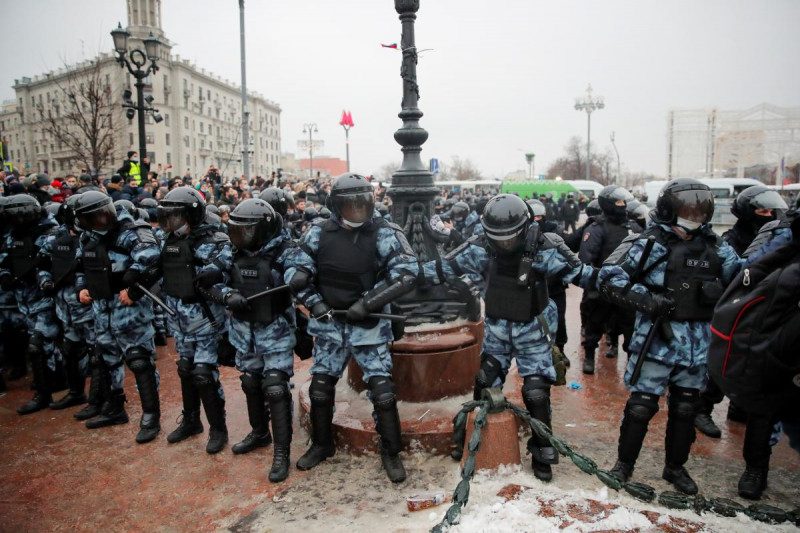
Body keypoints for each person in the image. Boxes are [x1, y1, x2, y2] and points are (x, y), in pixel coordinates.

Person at [423, 194, 595, 481]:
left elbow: (583, 273)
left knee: (536, 391)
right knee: (484, 382)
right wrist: (402, 275)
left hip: (532, 330)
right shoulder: (480, 246)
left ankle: (543, 453)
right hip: (497, 331)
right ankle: (475, 440)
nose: (503, 244)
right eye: (497, 239)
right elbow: (441, 268)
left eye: (508, 238)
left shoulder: (546, 246)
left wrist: (630, 291)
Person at [598, 178, 741, 494]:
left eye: (701, 210)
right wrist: (648, 299)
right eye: (689, 209)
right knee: (641, 407)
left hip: (697, 347)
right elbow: (608, 278)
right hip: (657, 342)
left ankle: (675, 468)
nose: (696, 216)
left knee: (686, 409)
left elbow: (744, 278)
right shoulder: (649, 243)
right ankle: (624, 465)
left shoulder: (717, 247)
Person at [286, 173, 419, 483]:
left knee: (382, 391)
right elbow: (295, 268)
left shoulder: (384, 232)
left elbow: (407, 272)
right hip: (330, 323)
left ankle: (391, 451)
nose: (358, 210)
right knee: (320, 387)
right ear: (337, 206)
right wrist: (313, 301)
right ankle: (322, 445)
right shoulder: (319, 232)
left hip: (368, 324)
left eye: (363, 204)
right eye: (351, 205)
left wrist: (370, 302)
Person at [695, 185, 788, 439]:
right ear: (748, 213)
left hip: (768, 310)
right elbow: (729, 274)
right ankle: (702, 407)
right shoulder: (731, 241)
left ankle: (739, 407)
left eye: (772, 209)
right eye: (762, 210)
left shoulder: (780, 236)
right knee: (726, 362)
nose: (770, 214)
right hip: (736, 312)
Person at [214, 199, 296, 482]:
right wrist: (226, 295)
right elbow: (209, 277)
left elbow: (300, 275)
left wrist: (299, 279)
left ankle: (281, 452)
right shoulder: (231, 251)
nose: (243, 237)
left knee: (275, 387)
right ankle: (259, 432)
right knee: (250, 382)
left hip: (276, 330)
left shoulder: (284, 251)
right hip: (243, 330)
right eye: (239, 231)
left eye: (248, 231)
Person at [74, 191, 162, 443]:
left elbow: (154, 262)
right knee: (106, 356)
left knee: (139, 360)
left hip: (128, 306)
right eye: (93, 218)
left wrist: (134, 291)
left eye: (102, 215)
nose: (100, 221)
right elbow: (81, 265)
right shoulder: (88, 236)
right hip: (101, 304)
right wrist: (81, 287)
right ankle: (114, 407)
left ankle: (150, 416)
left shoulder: (131, 231)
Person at [157, 187, 233, 454]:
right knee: (185, 368)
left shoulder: (214, 241)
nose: (171, 222)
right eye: (168, 216)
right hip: (179, 319)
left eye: (176, 216)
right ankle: (191, 421)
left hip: (206, 319)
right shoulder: (166, 239)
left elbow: (226, 269)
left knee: (204, 374)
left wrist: (214, 274)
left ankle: (218, 429)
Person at [0, 194, 64, 414]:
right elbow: (6, 258)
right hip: (24, 298)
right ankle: (53, 380)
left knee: (39, 344)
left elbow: (53, 264)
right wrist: (6, 273)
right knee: (42, 345)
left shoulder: (49, 233)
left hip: (44, 297)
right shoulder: (13, 234)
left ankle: (44, 393)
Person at [39, 195, 99, 414]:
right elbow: (42, 264)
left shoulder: (94, 238)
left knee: (98, 355)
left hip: (88, 307)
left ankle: (98, 400)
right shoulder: (55, 240)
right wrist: (44, 280)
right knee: (70, 351)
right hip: (65, 307)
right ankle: (76, 393)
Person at [579, 186, 635, 373]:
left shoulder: (632, 227)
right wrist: (597, 280)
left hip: (627, 289)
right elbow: (586, 258)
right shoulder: (597, 228)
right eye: (618, 202)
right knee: (594, 324)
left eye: (623, 202)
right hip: (602, 288)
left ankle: (631, 361)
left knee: (629, 326)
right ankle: (589, 357)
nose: (622, 205)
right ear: (608, 204)